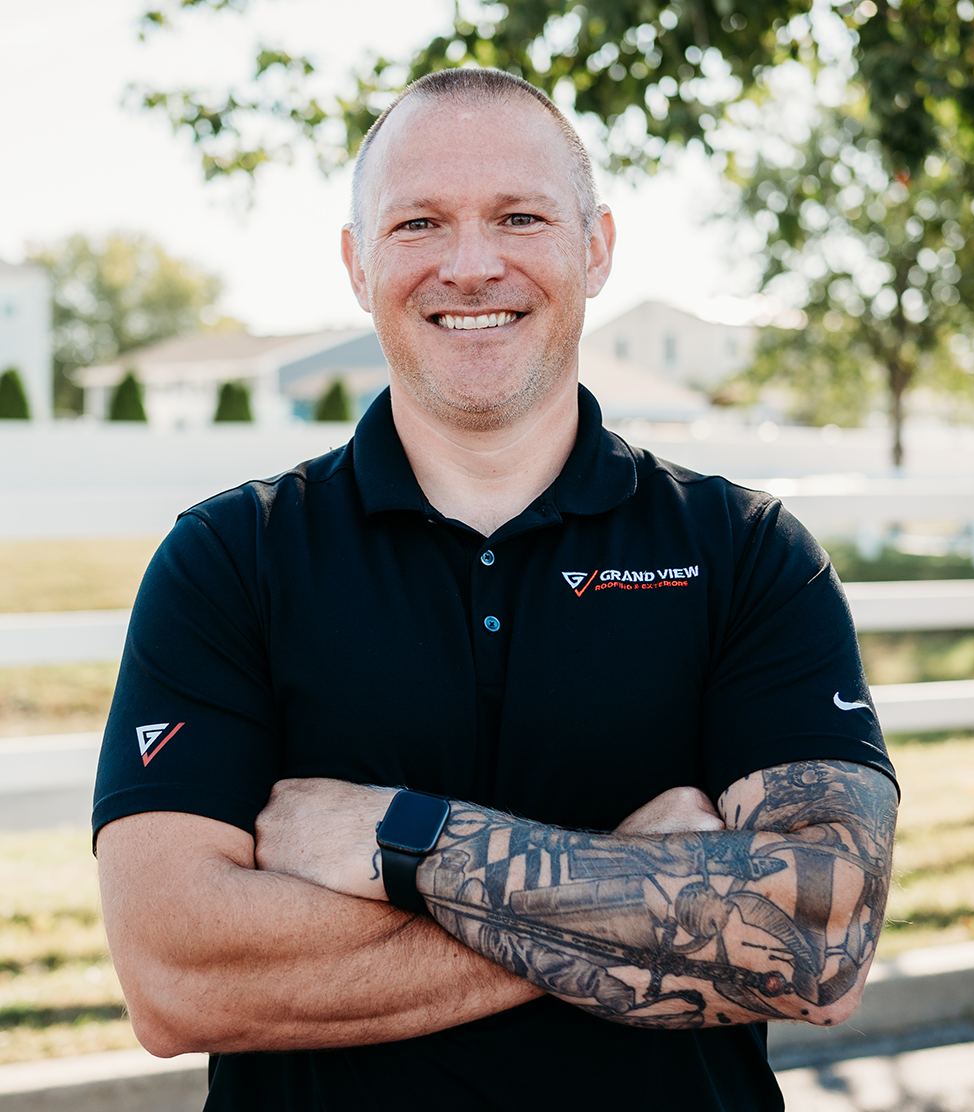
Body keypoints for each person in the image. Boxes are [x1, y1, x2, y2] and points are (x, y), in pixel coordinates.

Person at [94, 68, 898, 1111]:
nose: (470, 266)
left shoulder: (743, 550)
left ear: (595, 246)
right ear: (356, 262)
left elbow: (813, 939)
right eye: (418, 223)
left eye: (519, 216)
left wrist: (403, 840)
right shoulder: (229, 559)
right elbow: (176, 975)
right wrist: (641, 885)